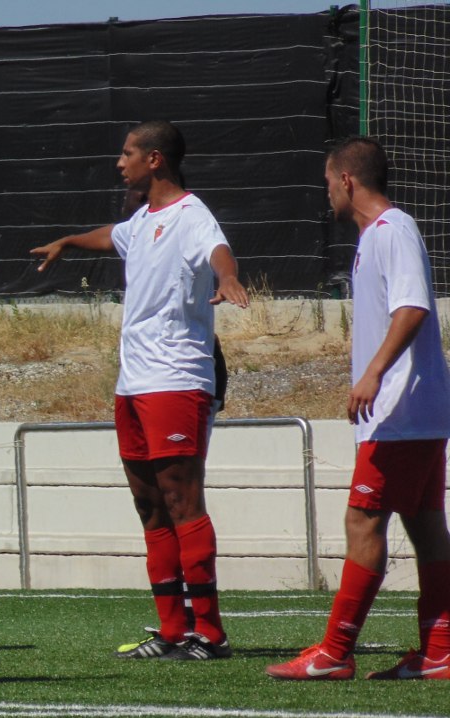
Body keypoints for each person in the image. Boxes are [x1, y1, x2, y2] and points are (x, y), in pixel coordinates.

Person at [31, 120, 248, 660]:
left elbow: (218, 250)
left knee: (181, 500)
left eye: (127, 153)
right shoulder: (143, 219)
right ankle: (172, 630)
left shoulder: (192, 215)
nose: (119, 161)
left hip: (176, 378)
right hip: (133, 383)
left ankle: (210, 634)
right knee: (148, 504)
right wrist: (69, 242)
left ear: (154, 159)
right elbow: (114, 235)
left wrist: (226, 278)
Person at [266, 137, 450, 681]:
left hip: (400, 413)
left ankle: (335, 652)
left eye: (328, 182)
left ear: (347, 180)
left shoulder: (393, 229)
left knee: (362, 519)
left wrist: (373, 373)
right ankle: (440, 652)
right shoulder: (375, 237)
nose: (327, 192)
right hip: (413, 413)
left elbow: (413, 307)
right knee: (425, 523)